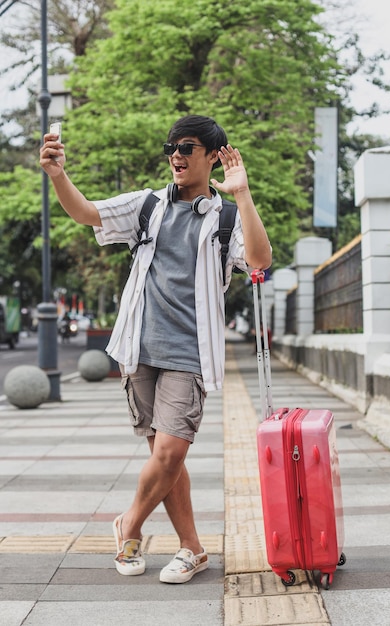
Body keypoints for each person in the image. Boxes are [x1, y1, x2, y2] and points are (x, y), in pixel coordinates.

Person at [40, 114, 272, 584]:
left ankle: (129, 525)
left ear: (213, 155)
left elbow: (259, 262)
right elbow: (86, 213)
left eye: (187, 148)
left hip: (190, 354)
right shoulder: (148, 206)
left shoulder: (225, 218)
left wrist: (242, 193)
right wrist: (58, 175)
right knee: (168, 461)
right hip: (141, 348)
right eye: (172, 148)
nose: (176, 156)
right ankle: (193, 548)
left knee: (167, 454)